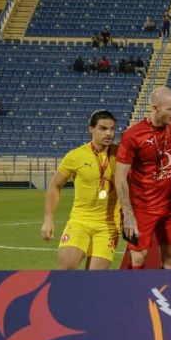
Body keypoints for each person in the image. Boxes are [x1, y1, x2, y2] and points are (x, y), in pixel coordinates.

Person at [116, 86, 171, 268]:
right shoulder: (133, 136)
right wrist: (128, 213)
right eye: (170, 109)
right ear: (155, 108)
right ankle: (135, 294)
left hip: (170, 207)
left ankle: (166, 294)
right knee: (138, 258)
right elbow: (120, 176)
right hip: (142, 207)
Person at [41, 110, 121, 270]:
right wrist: (48, 219)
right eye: (103, 128)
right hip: (80, 222)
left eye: (112, 129)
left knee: (94, 279)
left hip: (109, 226)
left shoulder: (122, 154)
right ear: (91, 129)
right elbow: (54, 186)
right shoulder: (75, 156)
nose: (109, 133)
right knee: (66, 270)